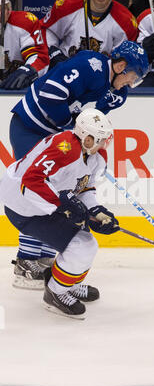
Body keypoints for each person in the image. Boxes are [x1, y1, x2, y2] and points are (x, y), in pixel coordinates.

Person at [8, 40, 149, 290]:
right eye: (132, 75)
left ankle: (42, 256)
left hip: (61, 137)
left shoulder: (118, 94)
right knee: (38, 189)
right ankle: (26, 261)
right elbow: (50, 94)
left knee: (66, 189)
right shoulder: (88, 66)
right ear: (119, 65)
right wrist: (70, 127)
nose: (131, 82)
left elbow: (94, 122)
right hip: (32, 128)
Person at [0, 108, 120, 320]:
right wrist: (63, 205)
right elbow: (31, 182)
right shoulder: (64, 148)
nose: (104, 144)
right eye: (101, 139)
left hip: (46, 203)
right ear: (88, 138)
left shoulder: (96, 155)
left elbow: (84, 187)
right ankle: (56, 292)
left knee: (86, 244)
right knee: (82, 246)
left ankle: (67, 282)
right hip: (23, 206)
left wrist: (96, 211)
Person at [40, 0, 138, 69]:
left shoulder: (126, 20)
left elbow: (123, 61)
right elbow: (47, 29)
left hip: (101, 79)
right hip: (64, 70)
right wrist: (54, 53)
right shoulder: (67, 5)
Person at [0, 0, 49, 90]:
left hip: (17, 90)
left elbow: (40, 57)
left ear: (9, 10)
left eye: (1, 9)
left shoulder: (25, 22)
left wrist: (29, 70)